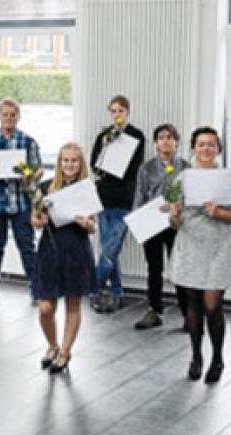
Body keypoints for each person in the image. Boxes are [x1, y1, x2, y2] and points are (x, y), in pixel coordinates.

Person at [169, 127, 231, 384]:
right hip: (190, 243)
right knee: (192, 304)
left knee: (212, 305)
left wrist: (219, 212)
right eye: (201, 145)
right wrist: (174, 213)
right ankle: (195, 356)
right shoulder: (183, 178)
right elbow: (173, 221)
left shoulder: (228, 179)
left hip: (218, 246)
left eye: (211, 145)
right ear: (193, 148)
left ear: (218, 149)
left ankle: (218, 357)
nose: (206, 149)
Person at [31, 143, 98, 373]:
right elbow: (35, 219)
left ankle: (66, 352)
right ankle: (52, 344)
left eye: (74, 160)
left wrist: (86, 223)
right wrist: (39, 220)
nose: (69, 164)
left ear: (81, 164)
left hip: (76, 250)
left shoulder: (86, 190)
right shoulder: (45, 187)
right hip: (50, 250)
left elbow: (93, 228)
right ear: (60, 163)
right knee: (45, 308)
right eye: (66, 160)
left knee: (73, 303)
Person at [0, 97, 42, 302]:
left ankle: (36, 286)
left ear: (18, 116)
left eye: (13, 114)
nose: (9, 118)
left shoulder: (28, 141)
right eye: (5, 114)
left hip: (21, 202)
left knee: (27, 246)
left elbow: (38, 170)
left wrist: (30, 175)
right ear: (0, 116)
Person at [89, 95, 145, 313]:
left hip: (124, 198)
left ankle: (93, 289)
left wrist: (116, 158)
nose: (117, 114)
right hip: (103, 198)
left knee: (110, 250)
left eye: (120, 110)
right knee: (108, 250)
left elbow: (134, 168)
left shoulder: (136, 135)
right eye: (113, 111)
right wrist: (106, 149)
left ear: (127, 112)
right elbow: (95, 164)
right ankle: (118, 293)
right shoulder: (104, 135)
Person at [132, 123, 189, 329]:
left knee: (180, 269)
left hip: (177, 225)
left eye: (169, 137)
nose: (165, 141)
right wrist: (139, 226)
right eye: (161, 137)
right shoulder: (146, 168)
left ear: (176, 141)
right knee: (154, 269)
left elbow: (191, 197)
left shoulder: (186, 168)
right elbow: (139, 197)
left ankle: (187, 314)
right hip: (152, 224)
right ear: (156, 143)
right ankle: (154, 310)